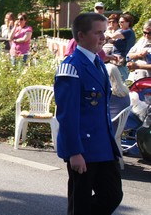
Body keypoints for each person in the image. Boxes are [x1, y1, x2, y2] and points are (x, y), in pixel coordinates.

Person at [54, 12, 123, 215]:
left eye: (105, 32)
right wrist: (74, 152)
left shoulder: (98, 63)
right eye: (98, 33)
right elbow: (67, 115)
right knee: (80, 203)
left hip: (103, 146)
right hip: (83, 147)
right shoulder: (71, 67)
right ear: (81, 36)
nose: (103, 37)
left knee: (112, 195)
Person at [105, 13, 136, 80]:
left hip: (122, 60)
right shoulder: (122, 31)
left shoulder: (128, 31)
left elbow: (113, 36)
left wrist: (107, 32)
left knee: (122, 80)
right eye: (119, 22)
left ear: (128, 22)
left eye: (122, 22)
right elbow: (113, 40)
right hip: (115, 59)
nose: (120, 24)